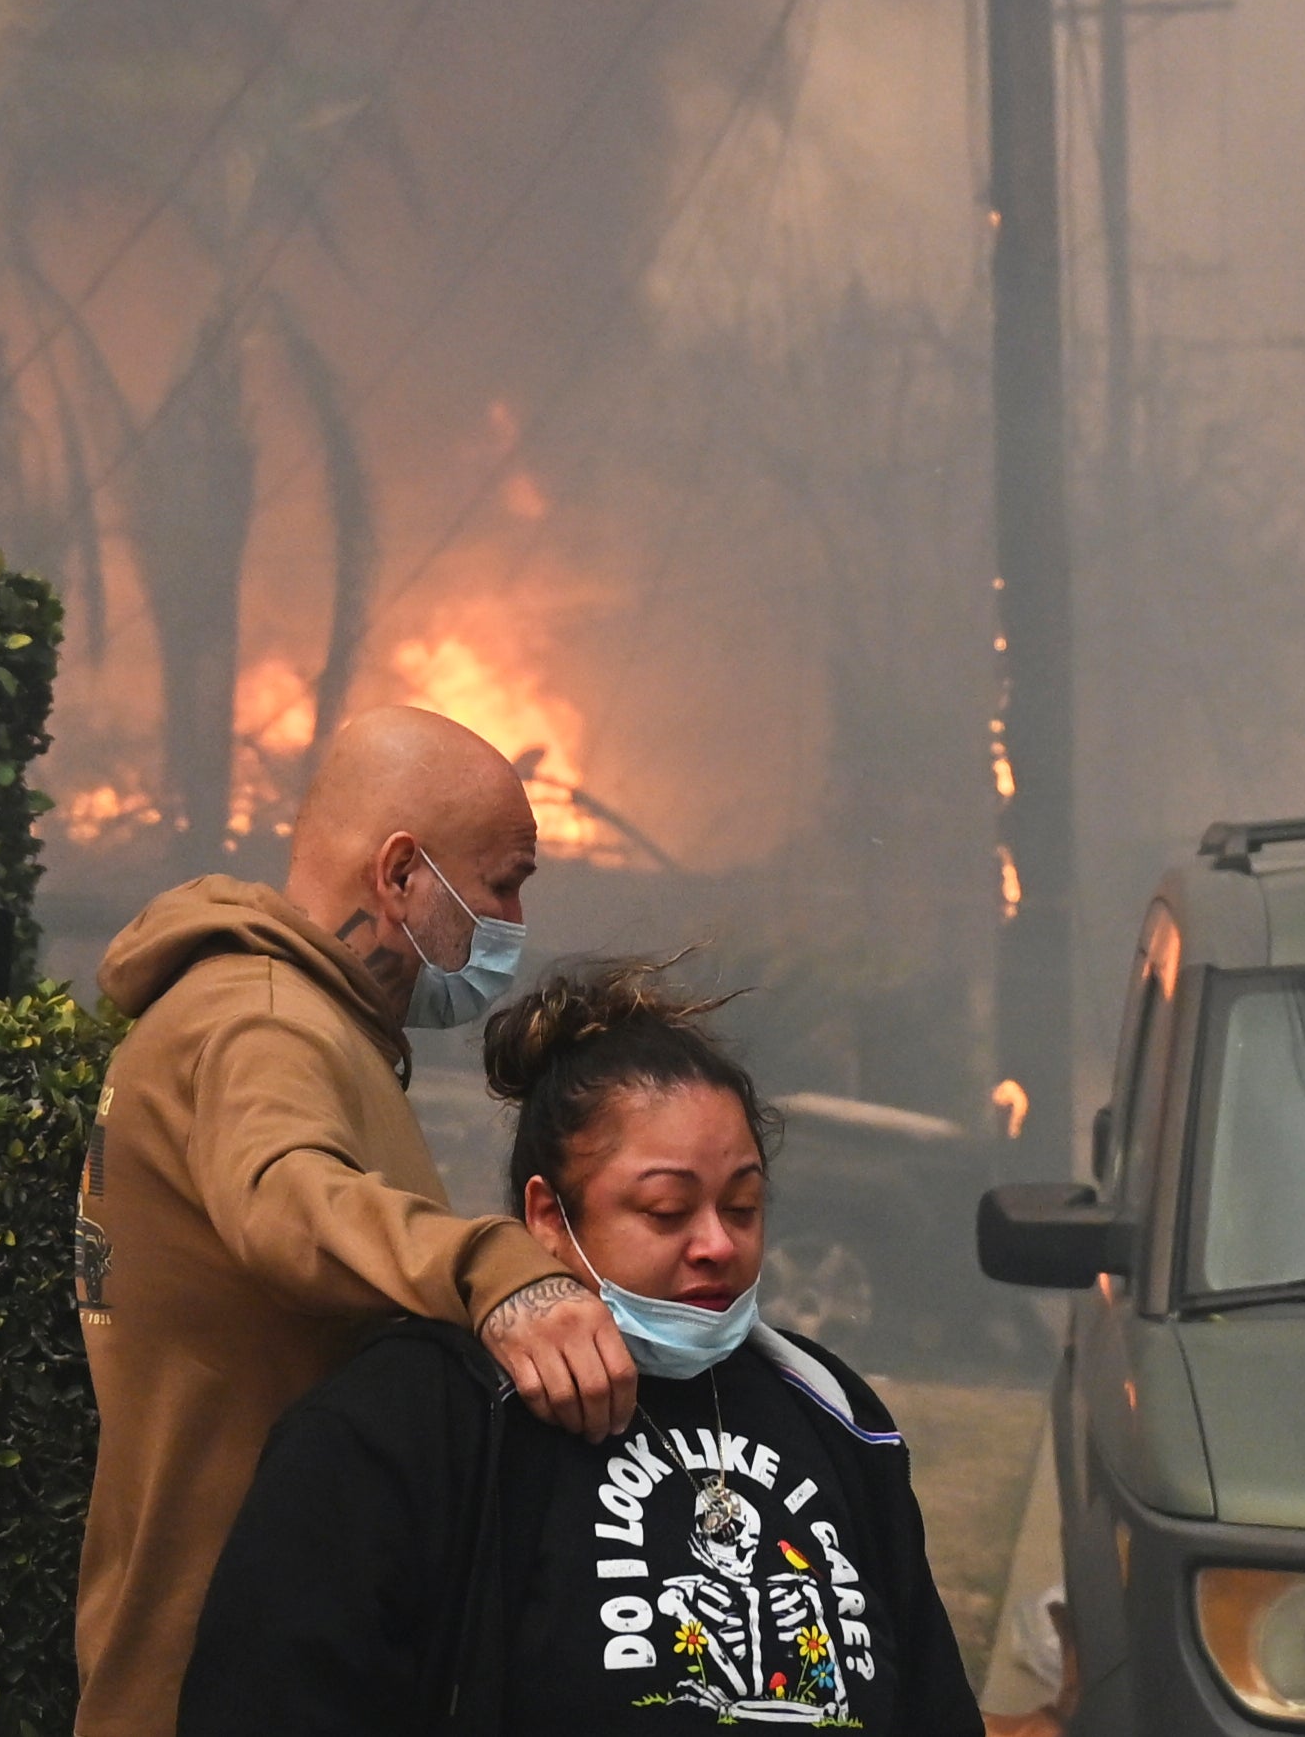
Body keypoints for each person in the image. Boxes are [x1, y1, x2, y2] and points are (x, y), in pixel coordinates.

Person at [176, 957, 985, 1736]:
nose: (716, 1244)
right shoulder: (412, 1419)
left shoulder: (832, 1410)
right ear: (549, 1218)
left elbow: (932, 1701)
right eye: (666, 1210)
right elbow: (268, 1697)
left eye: (742, 1206)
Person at [75, 706, 640, 1737]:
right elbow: (282, 1198)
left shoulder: (296, 1016)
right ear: (399, 876)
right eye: (503, 880)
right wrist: (494, 1270)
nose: (513, 917)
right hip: (225, 1687)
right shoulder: (263, 1020)